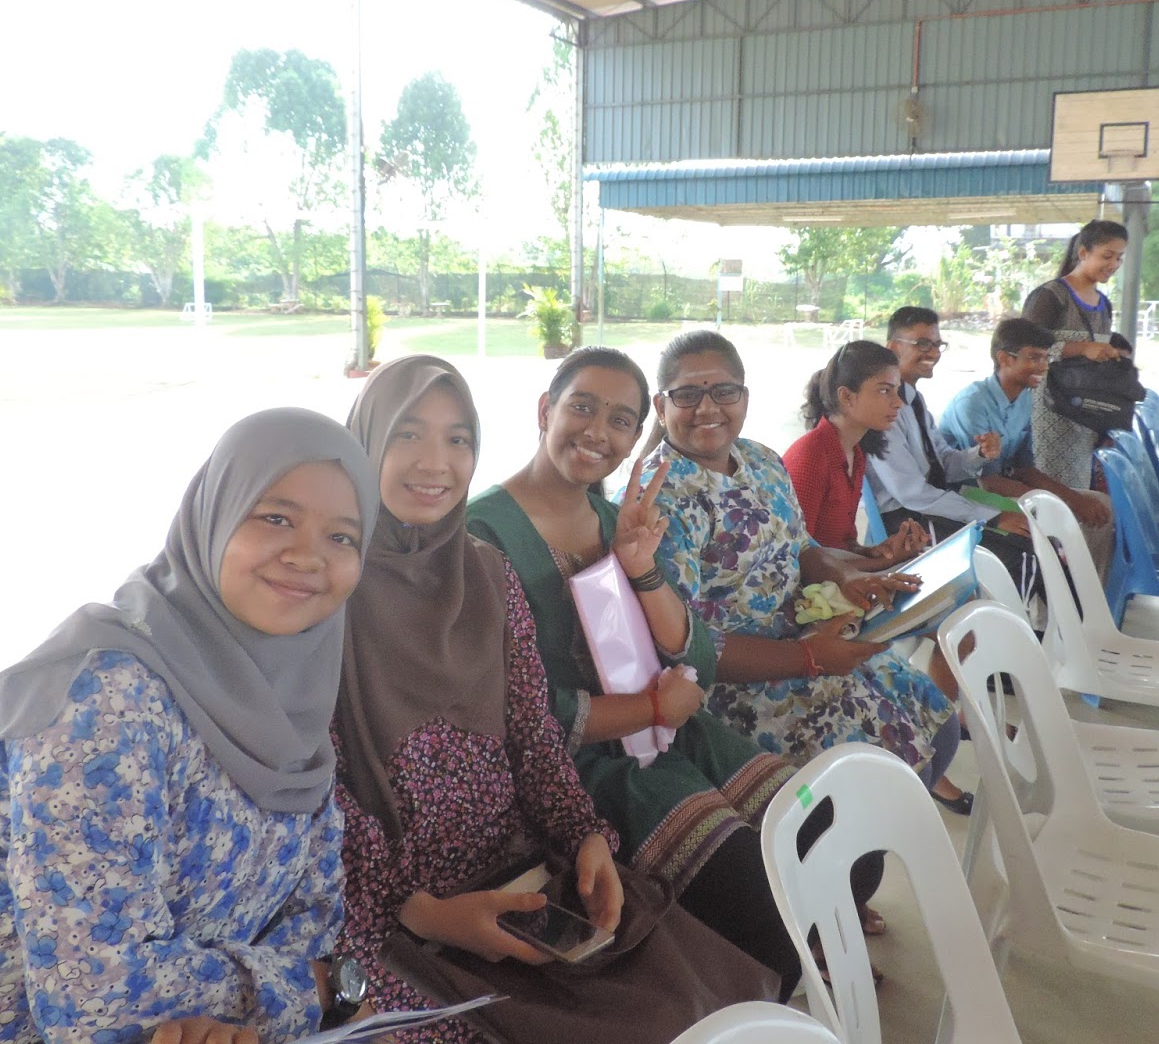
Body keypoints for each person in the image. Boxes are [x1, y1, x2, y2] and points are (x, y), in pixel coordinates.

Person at [0, 408, 380, 1044]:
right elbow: (90, 992)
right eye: (276, 518)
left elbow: (311, 916)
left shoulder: (294, 705)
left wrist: (263, 1006)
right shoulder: (104, 696)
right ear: (213, 516)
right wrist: (305, 990)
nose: (307, 556)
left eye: (341, 537)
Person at [466, 346, 802, 996]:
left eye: (620, 420)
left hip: (671, 728)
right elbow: (509, 712)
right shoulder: (482, 535)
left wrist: (641, 568)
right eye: (582, 407)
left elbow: (697, 659)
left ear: (635, 434)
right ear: (546, 409)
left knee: (833, 843)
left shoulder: (616, 519)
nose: (598, 431)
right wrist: (650, 708)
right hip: (579, 765)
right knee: (768, 910)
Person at [331, 356, 628, 1041]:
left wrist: (582, 833)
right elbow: (320, 789)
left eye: (458, 438)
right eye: (407, 434)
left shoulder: (489, 575)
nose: (435, 462)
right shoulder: (328, 586)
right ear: (364, 444)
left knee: (671, 992)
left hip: (511, 871)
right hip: (377, 911)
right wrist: (418, 910)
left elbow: (531, 732)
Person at [636, 330, 971, 815]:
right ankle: (839, 861)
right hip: (738, 684)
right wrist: (808, 658)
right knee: (885, 780)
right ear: (661, 405)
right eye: (687, 394)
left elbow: (801, 546)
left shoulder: (760, 461)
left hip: (809, 636)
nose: (707, 408)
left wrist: (852, 576)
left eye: (724, 391)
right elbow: (685, 646)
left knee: (936, 725)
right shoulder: (658, 500)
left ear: (744, 397)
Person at [866, 306, 1042, 607]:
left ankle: (1021, 626)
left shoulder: (914, 400)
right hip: (907, 522)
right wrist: (992, 516)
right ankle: (1002, 629)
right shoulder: (885, 411)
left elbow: (944, 463)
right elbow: (913, 494)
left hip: (932, 506)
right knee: (1019, 553)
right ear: (893, 347)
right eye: (923, 344)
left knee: (1034, 535)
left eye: (938, 344)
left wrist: (979, 454)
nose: (934, 352)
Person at [940, 316, 1115, 575]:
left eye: (1046, 358)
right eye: (1034, 358)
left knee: (1101, 505)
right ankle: (1050, 592)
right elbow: (987, 481)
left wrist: (1074, 498)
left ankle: (1089, 588)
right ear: (1004, 358)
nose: (1043, 366)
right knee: (1053, 512)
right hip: (966, 493)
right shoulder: (973, 403)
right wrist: (1065, 500)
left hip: (1001, 486)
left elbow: (1026, 468)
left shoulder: (1025, 398)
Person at [782, 339, 924, 558]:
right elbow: (798, 556)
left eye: (896, 391)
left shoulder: (855, 453)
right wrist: (882, 564)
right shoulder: (811, 456)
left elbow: (843, 544)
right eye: (885, 390)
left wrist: (878, 552)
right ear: (847, 396)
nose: (898, 402)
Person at [1020, 219, 1133, 493]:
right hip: (1048, 414)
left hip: (1085, 416)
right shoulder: (1050, 296)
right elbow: (1023, 349)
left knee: (1079, 492)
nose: (1114, 264)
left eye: (1119, 257)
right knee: (1051, 491)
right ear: (1083, 253)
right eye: (1107, 256)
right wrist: (1081, 348)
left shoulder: (1104, 304)